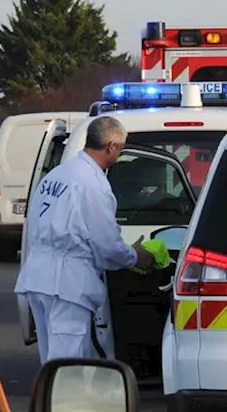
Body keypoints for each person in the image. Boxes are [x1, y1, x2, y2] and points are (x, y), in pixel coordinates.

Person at [15, 116, 154, 364]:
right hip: (66, 283)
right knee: (68, 362)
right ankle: (65, 403)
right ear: (111, 146)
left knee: (51, 359)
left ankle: (54, 402)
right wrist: (135, 255)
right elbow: (107, 245)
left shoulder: (57, 175)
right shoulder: (93, 185)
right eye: (120, 149)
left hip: (37, 277)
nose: (119, 155)